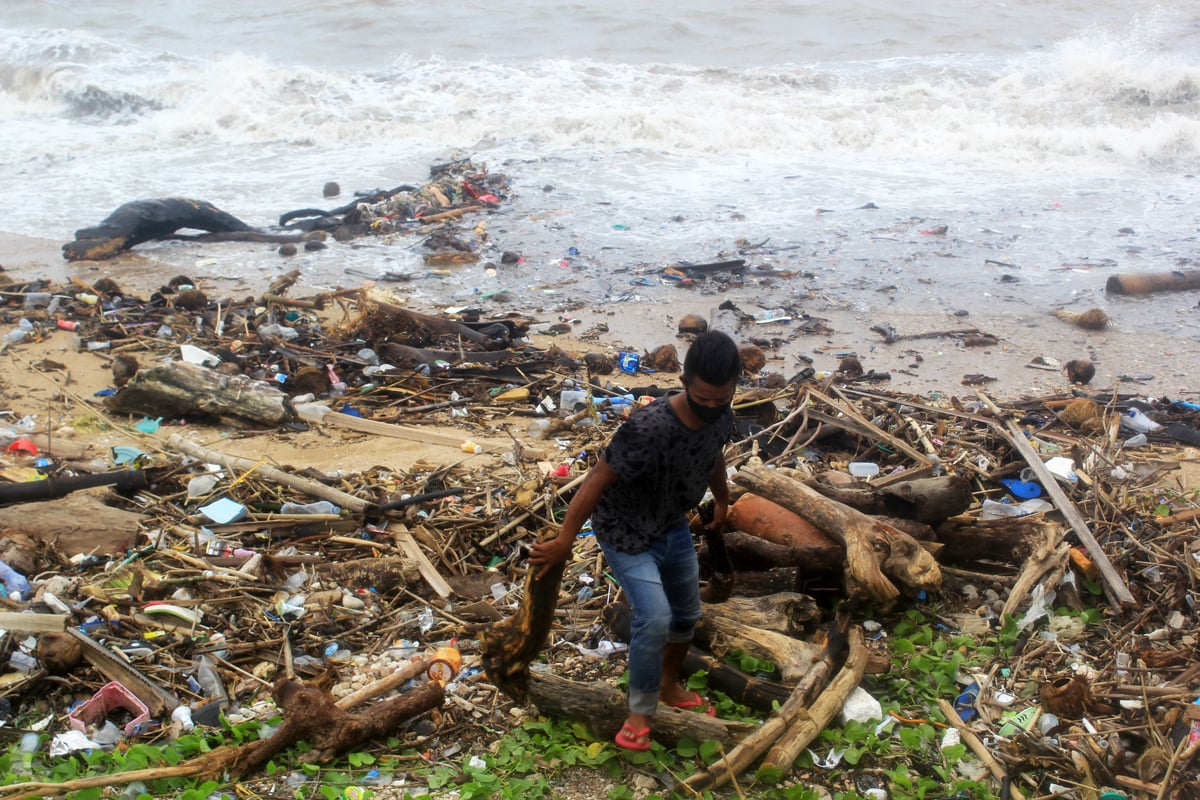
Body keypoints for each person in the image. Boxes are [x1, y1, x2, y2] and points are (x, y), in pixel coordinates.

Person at [529, 330, 741, 751]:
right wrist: (566, 542)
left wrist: (720, 496)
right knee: (655, 617)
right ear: (685, 382)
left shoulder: (723, 415)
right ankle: (639, 711)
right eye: (704, 398)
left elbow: (714, 453)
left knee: (686, 615)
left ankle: (666, 686)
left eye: (722, 398)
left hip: (670, 523)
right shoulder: (649, 427)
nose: (712, 407)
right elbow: (596, 480)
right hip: (624, 530)